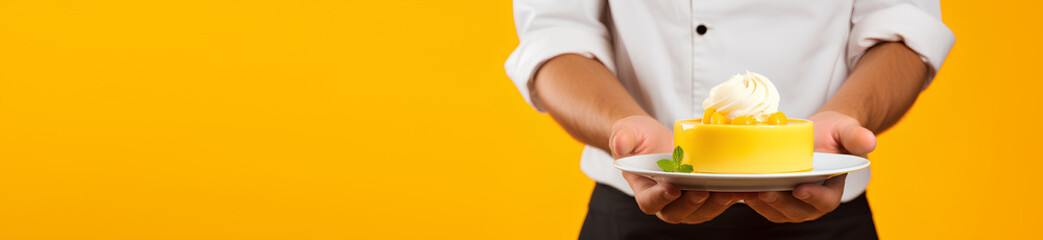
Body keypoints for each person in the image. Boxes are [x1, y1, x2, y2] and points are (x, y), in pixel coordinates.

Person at [504, 1, 954, 239]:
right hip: (634, 211)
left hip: (824, 215)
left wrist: (848, 118)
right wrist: (622, 125)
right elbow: (555, 33)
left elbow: (905, 25)